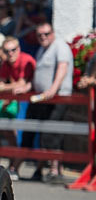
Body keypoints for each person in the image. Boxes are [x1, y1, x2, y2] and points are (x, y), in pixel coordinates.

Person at [23, 22, 73, 183]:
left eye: (46, 34)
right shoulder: (42, 50)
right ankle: (42, 168)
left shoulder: (60, 47)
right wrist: (28, 86)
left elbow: (62, 68)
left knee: (52, 133)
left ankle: (55, 169)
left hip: (57, 97)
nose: (43, 37)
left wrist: (53, 89)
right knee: (42, 132)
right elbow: (40, 73)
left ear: (53, 33)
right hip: (42, 98)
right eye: (40, 35)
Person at [0, 36, 35, 180]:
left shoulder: (25, 60)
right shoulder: (6, 63)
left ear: (19, 49)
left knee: (16, 134)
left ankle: (14, 166)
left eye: (13, 50)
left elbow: (21, 85)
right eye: (7, 51)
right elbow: (0, 85)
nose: (10, 53)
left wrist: (6, 87)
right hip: (13, 99)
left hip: (29, 101)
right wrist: (8, 87)